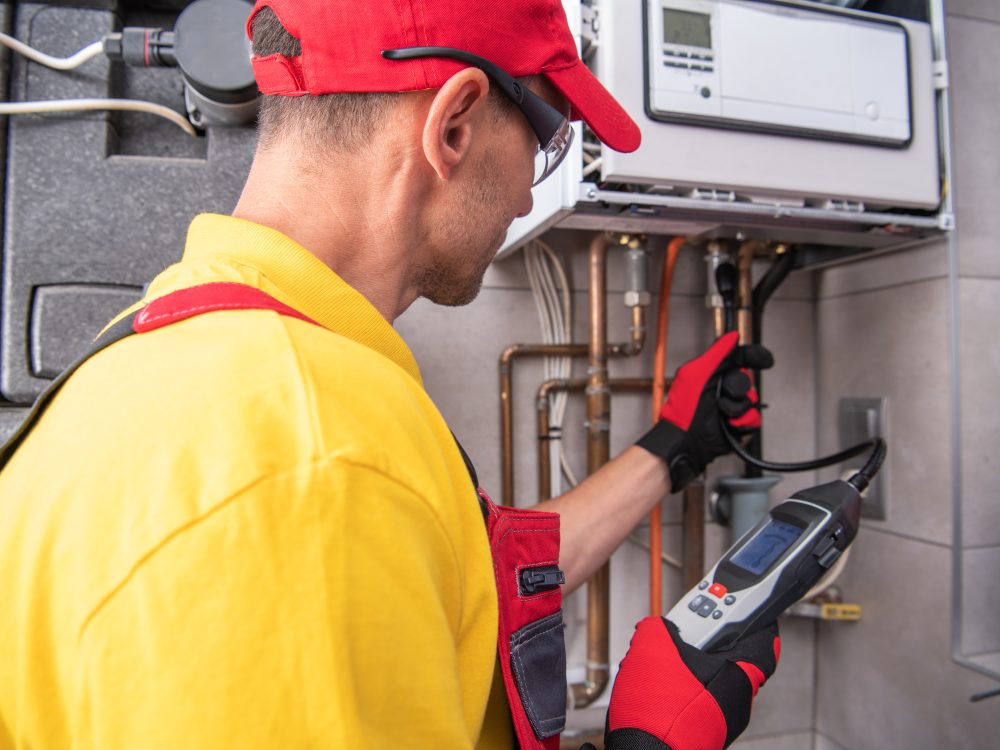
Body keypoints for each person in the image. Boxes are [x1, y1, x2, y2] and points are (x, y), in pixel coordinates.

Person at [0, 1, 778, 748]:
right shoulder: (315, 460)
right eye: (544, 143)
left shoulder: (166, 353)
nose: (526, 192)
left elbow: (473, 588)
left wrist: (673, 445)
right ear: (455, 123)